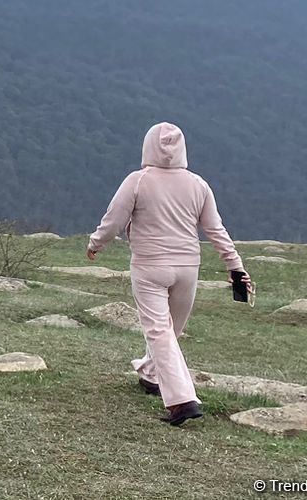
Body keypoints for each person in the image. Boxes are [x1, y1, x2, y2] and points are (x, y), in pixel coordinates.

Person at [87, 122, 252, 427]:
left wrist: (96, 243)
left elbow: (114, 220)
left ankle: (182, 401)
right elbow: (215, 230)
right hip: (188, 269)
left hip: (149, 267)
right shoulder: (198, 185)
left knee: (159, 332)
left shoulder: (137, 181)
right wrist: (235, 266)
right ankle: (151, 376)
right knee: (169, 332)